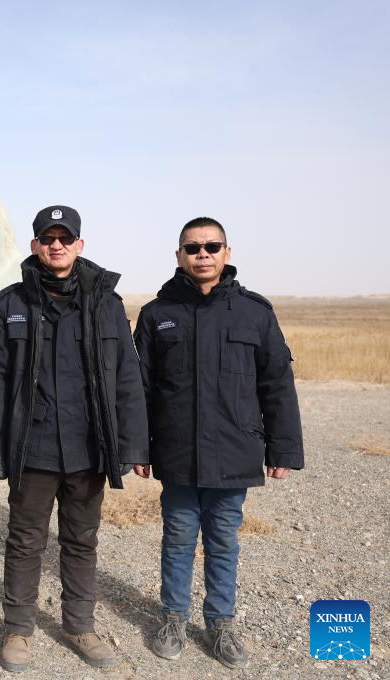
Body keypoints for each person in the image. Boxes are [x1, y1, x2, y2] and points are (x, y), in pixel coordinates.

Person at [0, 205, 148, 671]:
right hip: (33, 448)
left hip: (90, 449)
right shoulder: (10, 303)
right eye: (47, 238)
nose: (56, 245)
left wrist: (132, 444)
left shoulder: (105, 304)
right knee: (25, 540)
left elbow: (127, 377)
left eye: (64, 238)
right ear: (34, 246)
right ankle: (17, 630)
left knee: (81, 540)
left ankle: (80, 625)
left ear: (79, 245)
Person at [133, 216, 304, 670]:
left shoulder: (254, 312)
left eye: (212, 246)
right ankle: (172, 616)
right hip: (178, 451)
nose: (202, 254)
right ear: (179, 256)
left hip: (234, 450)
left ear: (227, 253)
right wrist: (138, 448)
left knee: (225, 540)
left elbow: (276, 386)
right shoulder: (157, 315)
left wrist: (283, 449)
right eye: (193, 248)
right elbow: (141, 390)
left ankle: (221, 622)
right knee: (178, 537)